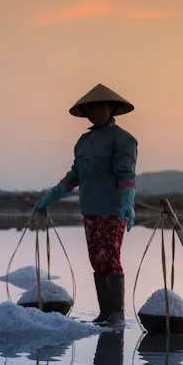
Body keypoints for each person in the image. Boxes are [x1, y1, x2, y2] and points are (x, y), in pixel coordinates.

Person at [33, 84, 138, 325]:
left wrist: (127, 202)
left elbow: (126, 174)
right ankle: (105, 313)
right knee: (97, 259)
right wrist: (49, 198)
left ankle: (117, 314)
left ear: (111, 109)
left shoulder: (123, 140)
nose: (96, 112)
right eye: (91, 108)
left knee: (110, 258)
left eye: (101, 107)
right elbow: (74, 176)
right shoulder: (83, 141)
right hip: (90, 209)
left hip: (112, 210)